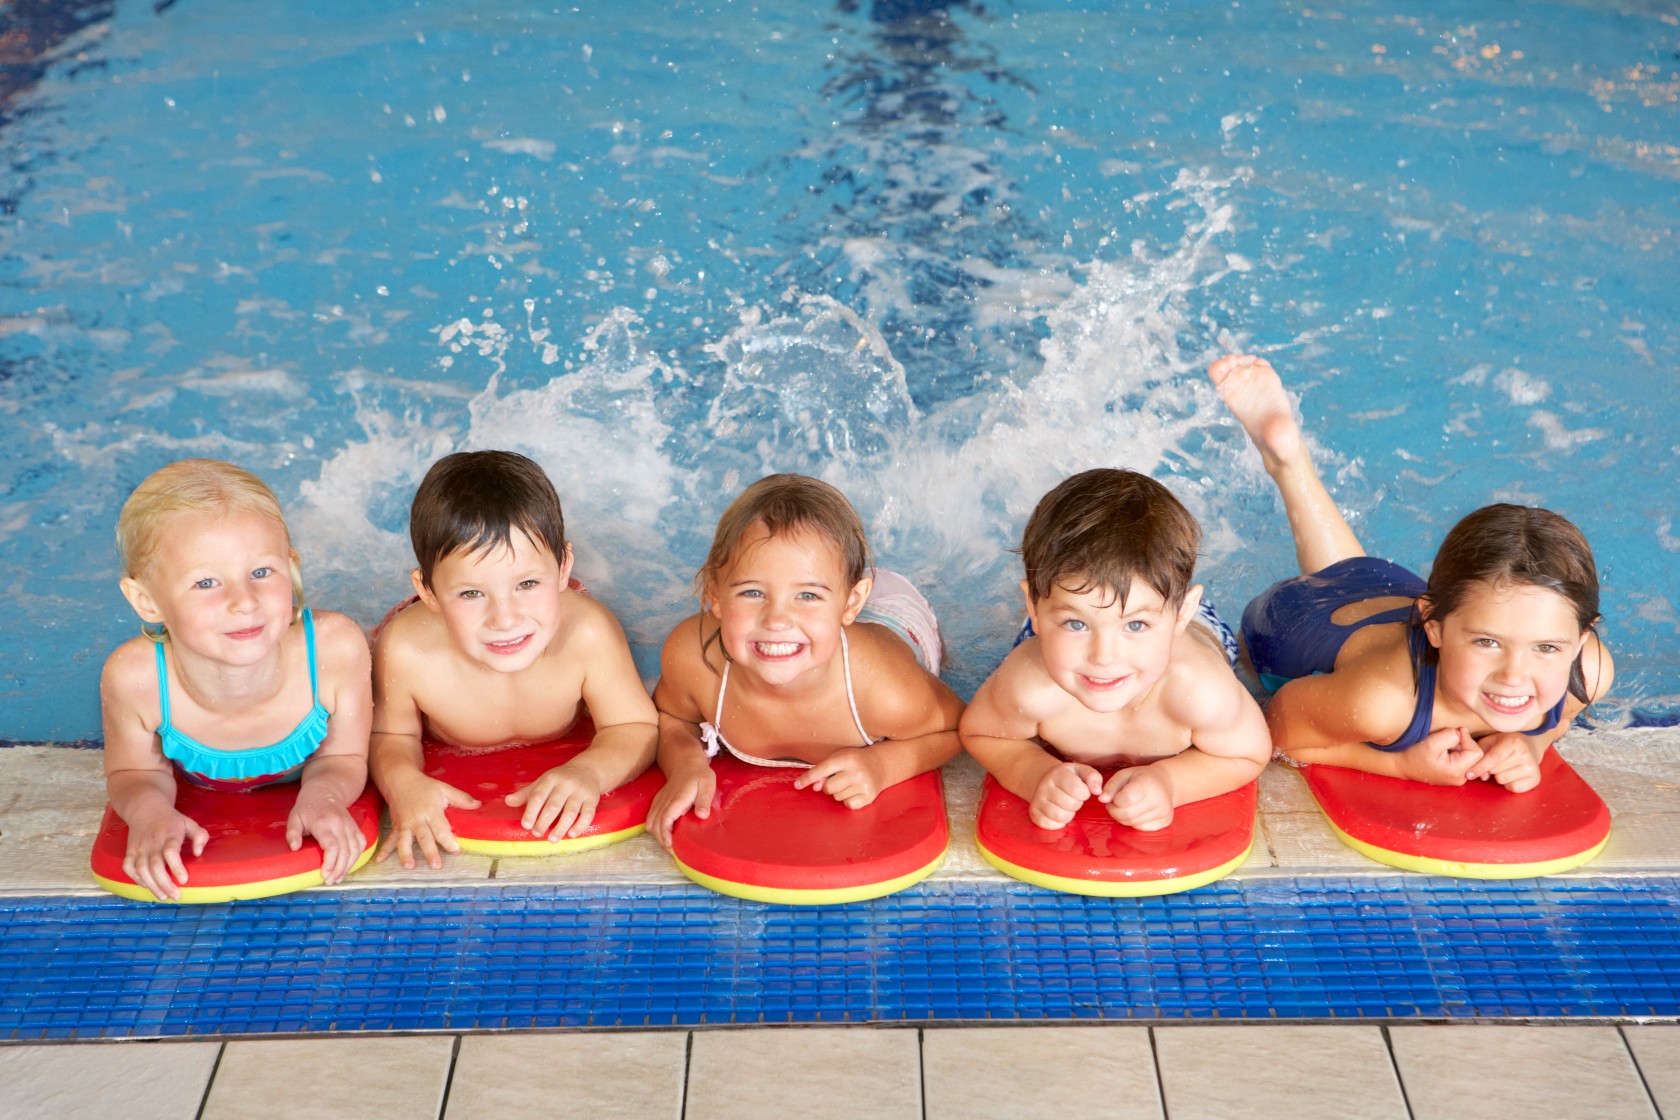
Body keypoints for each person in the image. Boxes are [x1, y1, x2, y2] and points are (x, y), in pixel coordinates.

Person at [1211, 352, 1613, 791]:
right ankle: (1286, 462)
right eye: (1487, 642)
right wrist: (1399, 765)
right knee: (1273, 648)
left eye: (1547, 648)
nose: (1514, 675)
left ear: (1581, 639)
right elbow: (1276, 729)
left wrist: (1530, 742)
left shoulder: (1588, 674)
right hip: (1291, 627)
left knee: (1347, 572)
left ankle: (1289, 460)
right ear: (1434, 627)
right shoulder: (1382, 702)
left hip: (1384, 587)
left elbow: (1556, 721)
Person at [370, 451, 658, 869]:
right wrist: (404, 784)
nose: (504, 619)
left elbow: (634, 726)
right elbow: (390, 735)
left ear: (563, 569)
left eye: (527, 584)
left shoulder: (587, 633)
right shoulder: (406, 649)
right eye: (471, 593)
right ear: (427, 591)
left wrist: (590, 772)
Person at [100, 459, 372, 901]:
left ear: (291, 568)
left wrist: (324, 796)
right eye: (206, 582)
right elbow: (135, 771)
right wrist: (149, 813)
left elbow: (344, 755)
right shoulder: (137, 679)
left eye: (262, 572)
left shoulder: (334, 651)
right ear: (146, 600)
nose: (244, 602)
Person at [649, 474, 964, 848]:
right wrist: (686, 763)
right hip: (828, 606)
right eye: (752, 592)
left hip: (896, 620)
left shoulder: (883, 690)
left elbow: (960, 727)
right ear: (714, 596)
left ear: (851, 603)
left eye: (807, 596)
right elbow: (672, 716)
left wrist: (884, 765)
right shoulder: (696, 658)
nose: (777, 620)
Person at [960, 469, 1271, 831]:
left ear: (1181, 613)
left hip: (1192, 628)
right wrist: (1033, 773)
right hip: (1092, 617)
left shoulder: (1200, 692)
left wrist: (1171, 783)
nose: (1104, 657)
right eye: (1077, 625)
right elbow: (981, 733)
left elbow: (1249, 754)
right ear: (1032, 606)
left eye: (1134, 626)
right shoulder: (1030, 683)